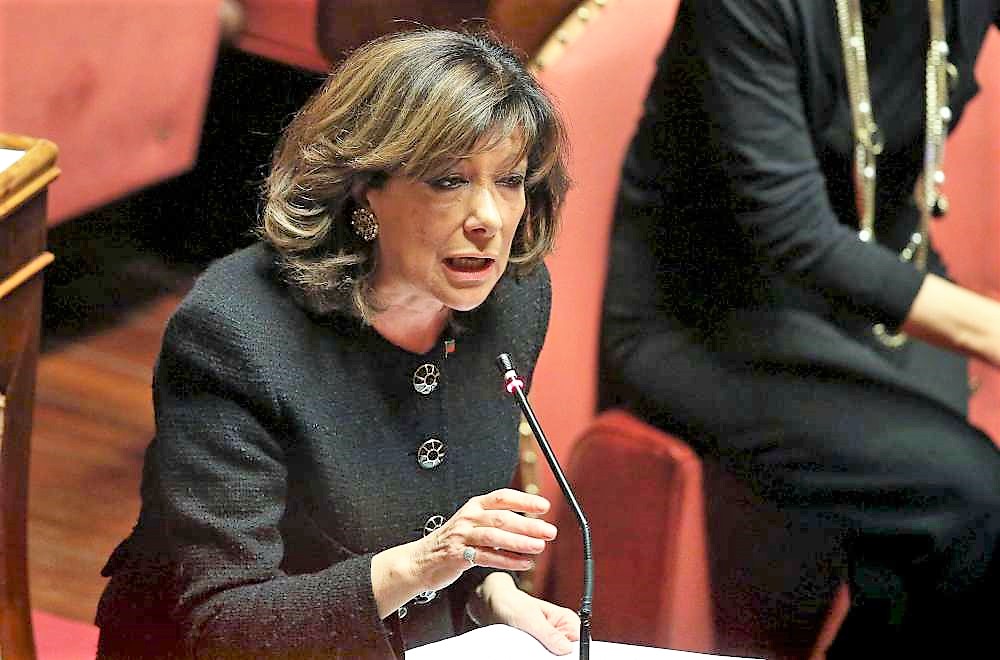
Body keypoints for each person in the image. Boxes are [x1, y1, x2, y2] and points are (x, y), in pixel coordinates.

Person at [95, 29, 579, 659]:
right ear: (362, 190)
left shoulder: (513, 298)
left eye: (509, 181)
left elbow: (442, 506)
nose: (488, 218)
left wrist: (493, 593)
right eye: (448, 182)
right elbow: (224, 626)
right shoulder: (235, 335)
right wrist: (428, 562)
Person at [599, 0, 1000, 657]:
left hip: (882, 280)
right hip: (711, 313)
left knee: (938, 535)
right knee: (970, 497)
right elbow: (796, 235)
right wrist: (989, 329)